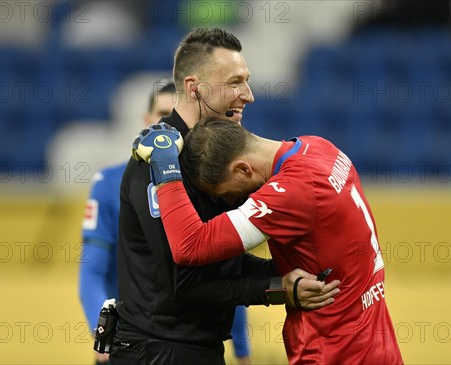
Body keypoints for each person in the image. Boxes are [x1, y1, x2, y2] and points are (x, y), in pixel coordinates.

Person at [112, 27, 340, 365]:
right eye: (234, 82)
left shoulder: (217, 155)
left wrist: (296, 272)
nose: (248, 95)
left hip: (197, 348)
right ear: (194, 88)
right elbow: (184, 284)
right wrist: (278, 288)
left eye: (246, 80)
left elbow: (223, 264)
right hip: (156, 350)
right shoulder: (157, 164)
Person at [132, 118, 404, 365]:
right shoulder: (320, 147)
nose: (231, 203)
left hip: (334, 350)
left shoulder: (291, 191)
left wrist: (166, 168)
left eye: (226, 194)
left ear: (242, 169)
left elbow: (189, 246)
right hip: (379, 343)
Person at [79, 80, 177, 365]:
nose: (168, 127)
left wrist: (242, 351)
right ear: (146, 122)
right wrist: (105, 335)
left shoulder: (208, 186)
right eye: (162, 115)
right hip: (128, 344)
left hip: (189, 343)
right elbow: (92, 274)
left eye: (176, 117)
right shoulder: (110, 184)